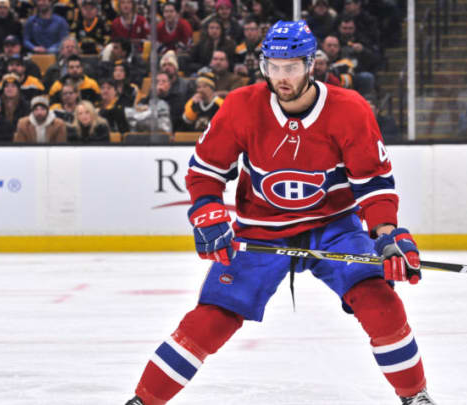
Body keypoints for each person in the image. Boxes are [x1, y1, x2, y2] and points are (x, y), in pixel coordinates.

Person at [123, 20, 436, 405]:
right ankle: (143, 401)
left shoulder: (350, 110)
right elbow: (205, 171)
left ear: (310, 65)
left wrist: (387, 235)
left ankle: (415, 397)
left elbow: (373, 183)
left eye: (290, 67)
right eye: (273, 66)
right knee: (212, 318)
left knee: (380, 303)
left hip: (334, 226)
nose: (281, 77)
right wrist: (206, 210)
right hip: (260, 230)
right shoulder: (241, 106)